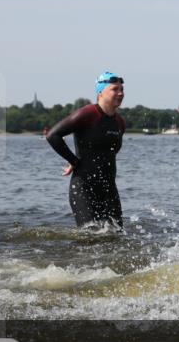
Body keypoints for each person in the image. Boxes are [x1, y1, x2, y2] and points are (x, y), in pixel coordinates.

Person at [46, 71, 126, 228]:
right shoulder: (88, 113)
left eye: (122, 89)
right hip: (84, 188)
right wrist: (74, 161)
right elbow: (53, 136)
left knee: (116, 237)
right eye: (115, 89)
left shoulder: (119, 122)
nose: (120, 93)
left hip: (109, 189)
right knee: (89, 237)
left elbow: (109, 152)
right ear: (100, 92)